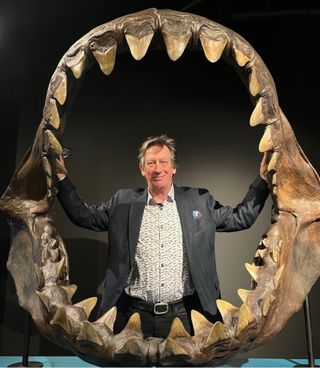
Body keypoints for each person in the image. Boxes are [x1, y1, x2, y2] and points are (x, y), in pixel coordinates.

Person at [56, 135, 269, 338]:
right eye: (151, 163)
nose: (157, 169)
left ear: (173, 167)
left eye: (163, 162)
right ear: (142, 169)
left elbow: (241, 217)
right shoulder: (124, 202)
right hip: (133, 316)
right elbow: (84, 216)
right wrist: (61, 178)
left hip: (186, 315)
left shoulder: (199, 201)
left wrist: (263, 179)